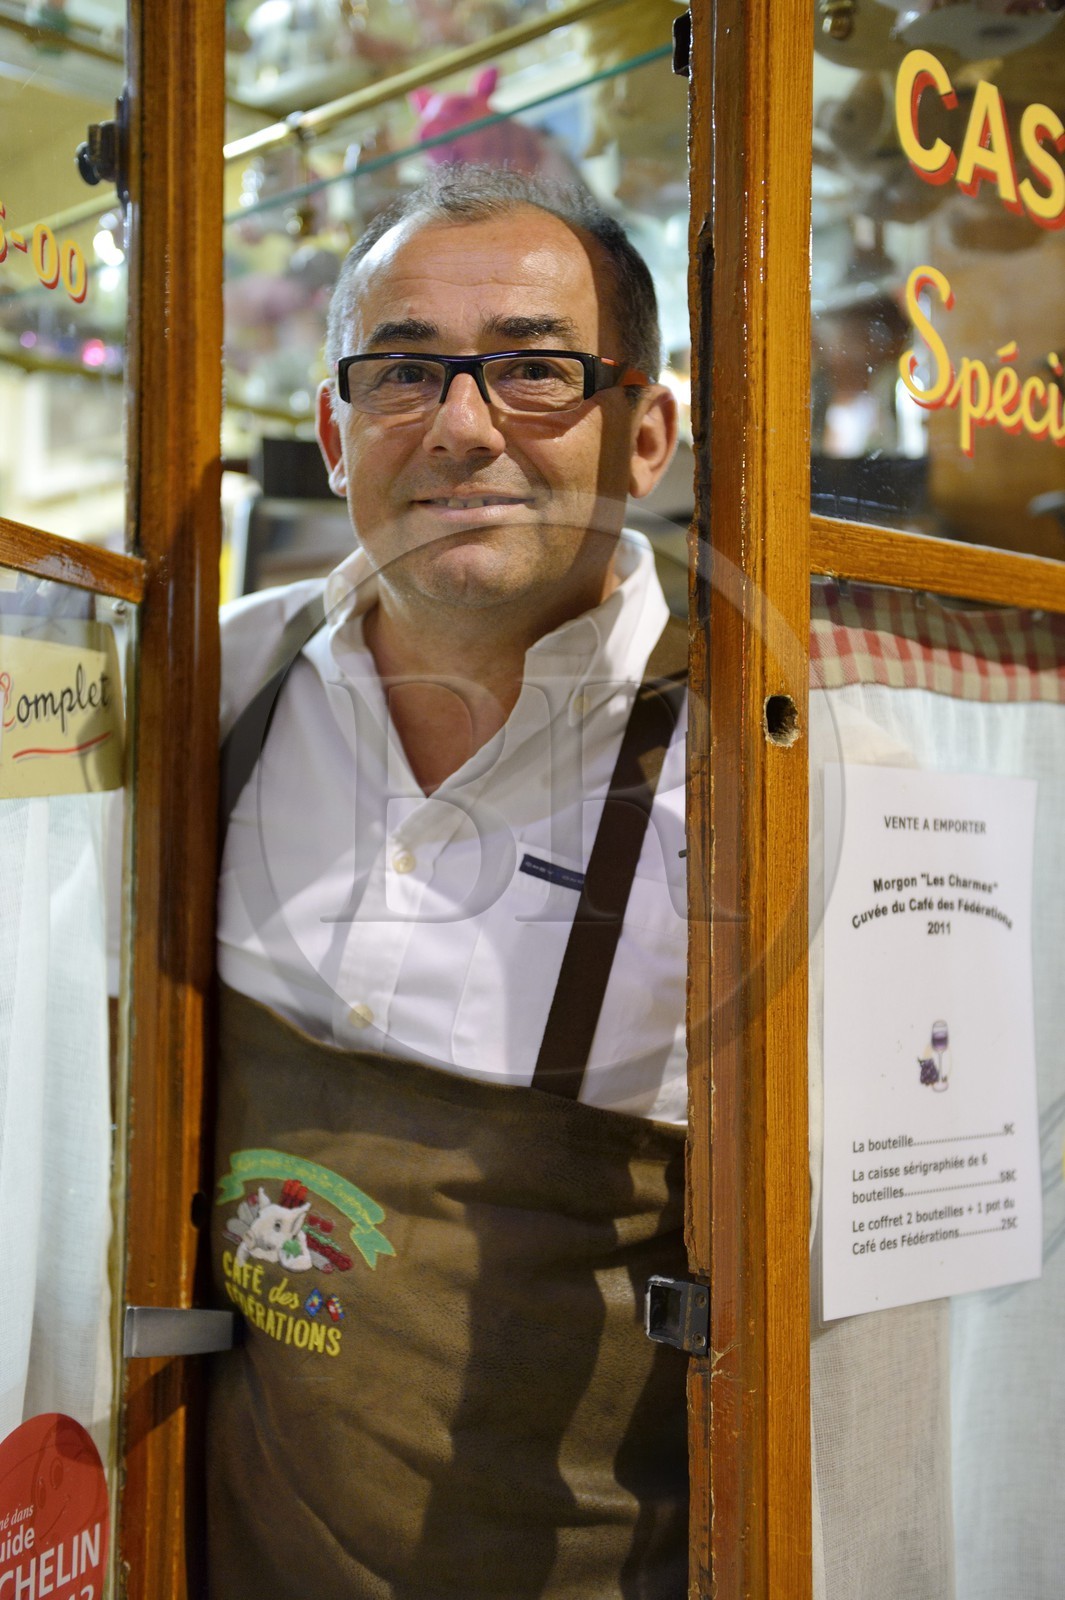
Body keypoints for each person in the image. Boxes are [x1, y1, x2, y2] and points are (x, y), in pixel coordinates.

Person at [208, 165, 689, 1599]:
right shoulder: (213, 681)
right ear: (333, 427)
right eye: (406, 370)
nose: (463, 427)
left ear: (644, 433)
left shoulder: (762, 761)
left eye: (534, 372)